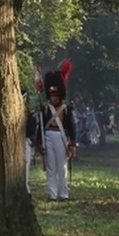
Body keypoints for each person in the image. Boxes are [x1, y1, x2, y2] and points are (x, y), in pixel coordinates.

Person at [39, 62, 76, 201]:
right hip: (48, 135)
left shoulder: (66, 109)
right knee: (50, 167)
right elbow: (41, 126)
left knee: (62, 167)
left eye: (56, 96)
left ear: (60, 96)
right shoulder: (46, 108)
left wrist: (72, 143)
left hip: (60, 136)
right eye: (52, 95)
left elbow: (71, 127)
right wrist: (39, 142)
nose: (54, 98)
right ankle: (53, 194)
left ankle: (64, 193)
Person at [24, 91, 39, 192]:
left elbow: (31, 132)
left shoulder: (30, 117)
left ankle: (26, 188)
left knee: (25, 165)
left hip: (25, 141)